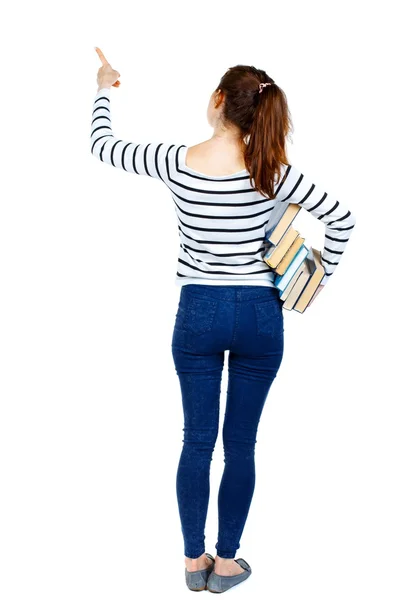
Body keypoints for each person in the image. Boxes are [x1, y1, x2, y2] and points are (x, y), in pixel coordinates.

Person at [91, 48, 356, 593]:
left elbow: (101, 146)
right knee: (241, 445)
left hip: (199, 312)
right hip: (261, 313)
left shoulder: (174, 159)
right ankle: (227, 563)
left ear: (217, 103)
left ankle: (194, 563)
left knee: (196, 441)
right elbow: (343, 218)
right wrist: (315, 274)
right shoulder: (273, 172)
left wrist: (104, 85)